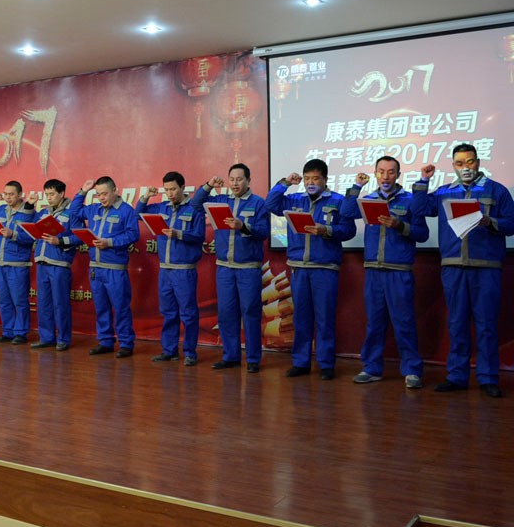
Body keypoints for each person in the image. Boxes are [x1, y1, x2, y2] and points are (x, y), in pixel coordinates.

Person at [412, 143, 514, 398]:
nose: (465, 167)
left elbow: (513, 224)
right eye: (460, 163)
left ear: (478, 162)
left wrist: (489, 221)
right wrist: (423, 181)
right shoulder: (444, 192)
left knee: (486, 324)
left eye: (470, 162)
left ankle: (488, 378)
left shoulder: (496, 190)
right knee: (457, 323)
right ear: (453, 166)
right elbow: (419, 209)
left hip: (486, 267)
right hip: (453, 266)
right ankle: (457, 376)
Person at [342, 157, 429, 388]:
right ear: (375, 174)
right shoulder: (369, 199)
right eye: (381, 172)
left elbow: (422, 234)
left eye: (391, 172)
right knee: (374, 323)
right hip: (373, 270)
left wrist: (400, 226)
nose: (385, 176)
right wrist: (357, 186)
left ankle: (412, 370)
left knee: (404, 322)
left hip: (399, 271)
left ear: (398, 175)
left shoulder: (410, 200)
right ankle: (371, 368)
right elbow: (346, 212)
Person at [265, 159, 356, 380]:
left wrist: (326, 230)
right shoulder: (295, 199)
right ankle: (301, 362)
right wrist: (285, 183)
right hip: (299, 267)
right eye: (307, 179)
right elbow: (270, 204)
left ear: (325, 180)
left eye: (315, 178)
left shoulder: (338, 201)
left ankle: (326, 364)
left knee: (324, 318)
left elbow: (348, 230)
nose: (310, 183)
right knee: (301, 318)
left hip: (325, 268)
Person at [190, 163, 270, 373]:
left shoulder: (258, 203)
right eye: (232, 179)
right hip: (224, 268)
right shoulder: (220, 200)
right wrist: (208, 185)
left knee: (250, 313)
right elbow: (195, 204)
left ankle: (253, 359)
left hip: (248, 268)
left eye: (239, 179)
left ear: (248, 181)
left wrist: (243, 226)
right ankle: (230, 356)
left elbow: (264, 232)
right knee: (226, 313)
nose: (235, 183)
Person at [137, 171, 205, 366]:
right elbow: (137, 214)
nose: (170, 193)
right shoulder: (162, 207)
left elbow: (199, 236)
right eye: (166, 190)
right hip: (165, 270)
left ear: (183, 188)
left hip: (184, 270)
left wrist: (178, 234)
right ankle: (169, 350)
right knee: (168, 312)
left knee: (188, 313)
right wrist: (146, 196)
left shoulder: (194, 208)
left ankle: (190, 352)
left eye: (173, 189)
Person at [68, 177, 140, 358]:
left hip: (115, 268)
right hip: (95, 268)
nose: (101, 197)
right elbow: (74, 211)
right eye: (98, 194)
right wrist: (83, 191)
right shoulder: (94, 209)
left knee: (121, 307)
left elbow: (133, 235)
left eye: (105, 194)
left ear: (115, 190)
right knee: (101, 307)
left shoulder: (126, 211)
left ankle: (126, 343)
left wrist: (110, 242)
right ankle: (106, 341)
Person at [31, 179, 78, 351]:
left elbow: (79, 237)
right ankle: (46, 337)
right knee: (43, 303)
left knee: (60, 303)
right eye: (46, 194)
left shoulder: (72, 212)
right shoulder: (43, 212)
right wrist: (30, 206)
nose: (49, 198)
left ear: (62, 194)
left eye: (52, 194)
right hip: (42, 262)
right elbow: (30, 227)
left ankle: (63, 339)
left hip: (59, 263)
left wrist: (60, 241)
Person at [0, 181, 37, 345]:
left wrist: (13, 235)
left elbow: (32, 237)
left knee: (19, 300)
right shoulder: (0, 210)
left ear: (20, 195)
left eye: (11, 194)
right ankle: (8, 331)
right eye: (5, 194)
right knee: (3, 300)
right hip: (0, 262)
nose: (8, 197)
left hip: (17, 263)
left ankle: (21, 332)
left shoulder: (28, 213)